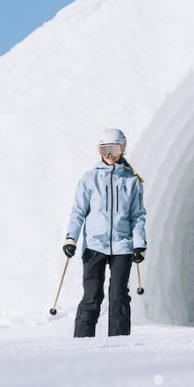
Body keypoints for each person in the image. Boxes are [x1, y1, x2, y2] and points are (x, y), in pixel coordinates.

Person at [62, 128, 147, 338]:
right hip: (94, 245)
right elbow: (78, 211)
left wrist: (139, 244)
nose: (108, 154)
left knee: (118, 295)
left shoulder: (131, 180)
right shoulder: (89, 179)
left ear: (122, 149)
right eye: (104, 149)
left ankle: (117, 343)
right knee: (92, 296)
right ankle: (82, 343)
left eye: (113, 149)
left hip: (122, 245)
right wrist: (71, 238)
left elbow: (137, 215)